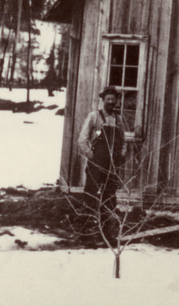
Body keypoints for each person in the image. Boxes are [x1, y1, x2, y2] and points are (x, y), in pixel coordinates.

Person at [78, 86, 127, 241]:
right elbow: (82, 140)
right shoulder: (94, 117)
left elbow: (123, 141)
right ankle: (87, 232)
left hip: (112, 165)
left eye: (113, 99)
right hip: (96, 163)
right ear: (103, 101)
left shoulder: (118, 119)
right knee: (91, 195)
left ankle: (107, 233)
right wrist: (91, 156)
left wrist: (121, 156)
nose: (111, 102)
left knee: (109, 197)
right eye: (108, 100)